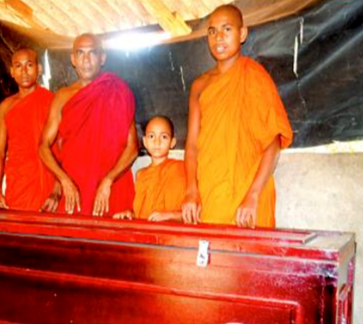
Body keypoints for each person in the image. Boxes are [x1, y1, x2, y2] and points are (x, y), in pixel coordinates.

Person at [182, 5, 293, 228]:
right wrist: (191, 190)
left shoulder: (255, 76)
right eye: (212, 31)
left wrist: (253, 195)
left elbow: (273, 143)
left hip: (249, 194)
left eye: (227, 29)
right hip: (211, 192)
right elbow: (192, 145)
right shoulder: (200, 85)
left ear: (242, 34)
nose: (218, 37)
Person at [38, 33, 138, 217]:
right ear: (73, 59)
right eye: (80, 53)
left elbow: (132, 148)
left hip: (111, 189)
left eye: (92, 52)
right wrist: (64, 181)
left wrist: (108, 180)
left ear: (102, 58)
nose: (86, 59)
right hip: (74, 189)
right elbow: (43, 146)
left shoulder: (117, 91)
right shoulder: (62, 97)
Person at [0, 48, 59, 211]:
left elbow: (63, 148)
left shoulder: (52, 101)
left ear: (39, 69)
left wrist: (58, 187)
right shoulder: (6, 106)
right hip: (18, 183)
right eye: (18, 66)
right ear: (12, 72)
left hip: (47, 182)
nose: (24, 72)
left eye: (29, 65)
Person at [113, 116, 186, 222]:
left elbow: (190, 213)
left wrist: (169, 215)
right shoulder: (140, 175)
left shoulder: (180, 169)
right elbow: (141, 213)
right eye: (151, 136)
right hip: (144, 231)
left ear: (172, 142)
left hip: (170, 230)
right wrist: (129, 214)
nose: (157, 142)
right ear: (145, 142)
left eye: (164, 137)